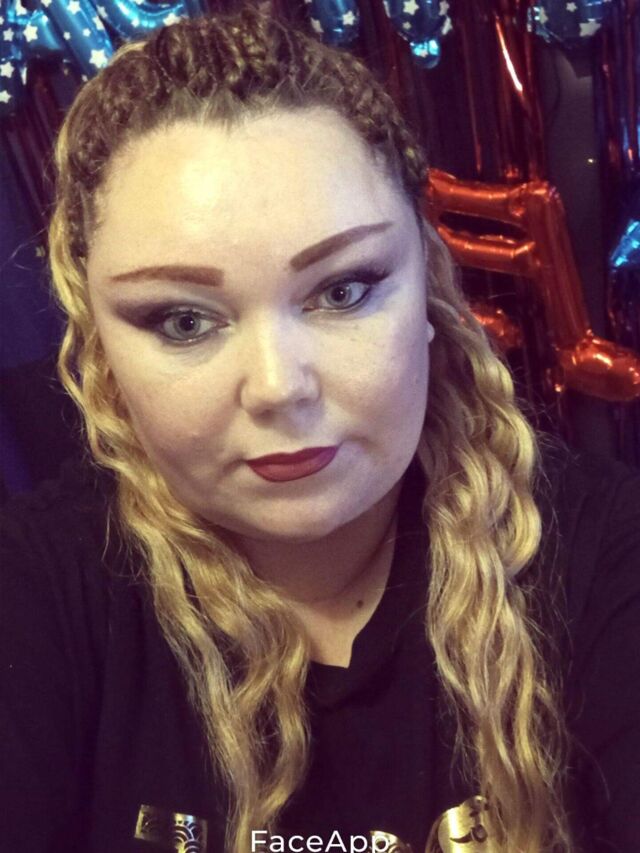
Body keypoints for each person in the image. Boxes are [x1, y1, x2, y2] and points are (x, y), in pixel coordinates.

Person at [1, 4, 638, 852]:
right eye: (183, 320)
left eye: (343, 290)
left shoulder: (604, 558)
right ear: (101, 348)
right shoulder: (38, 592)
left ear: (427, 290)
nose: (278, 388)